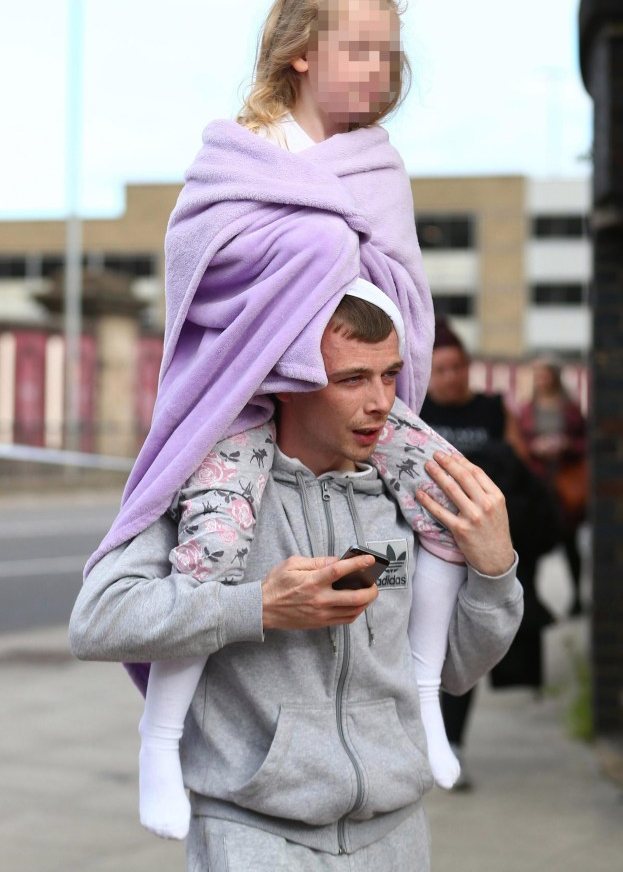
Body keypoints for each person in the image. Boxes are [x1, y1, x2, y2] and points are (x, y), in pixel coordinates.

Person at [75, 0, 475, 836]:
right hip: (249, 399)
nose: (378, 71)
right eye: (359, 50)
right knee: (208, 551)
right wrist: (319, 257)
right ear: (301, 51)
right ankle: (161, 734)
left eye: (389, 55)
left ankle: (422, 699)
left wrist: (339, 278)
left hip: (343, 392)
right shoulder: (239, 155)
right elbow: (202, 277)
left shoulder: (379, 165)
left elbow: (400, 297)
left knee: (449, 499)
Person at [70, 295, 523, 872]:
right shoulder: (211, 496)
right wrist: (259, 606)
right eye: (352, 379)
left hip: (398, 833)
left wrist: (494, 570)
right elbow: (97, 621)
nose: (381, 403)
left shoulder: (405, 499)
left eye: (390, 375)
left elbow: (458, 670)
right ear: (288, 379)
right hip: (255, 835)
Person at [420, 318, 557, 788]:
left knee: (462, 649)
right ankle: (429, 737)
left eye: (458, 367)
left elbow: (519, 472)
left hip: (475, 549)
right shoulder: (414, 412)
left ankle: (452, 744)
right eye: (441, 369)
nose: (451, 377)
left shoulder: (493, 410)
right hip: (426, 548)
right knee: (422, 646)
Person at [517, 357, 588, 616]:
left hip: (565, 483)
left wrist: (566, 445)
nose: (541, 380)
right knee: (534, 541)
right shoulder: (525, 408)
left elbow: (586, 441)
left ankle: (577, 598)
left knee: (570, 542)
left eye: (545, 375)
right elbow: (518, 445)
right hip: (538, 483)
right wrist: (535, 448)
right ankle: (533, 599)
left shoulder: (570, 408)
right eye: (538, 375)